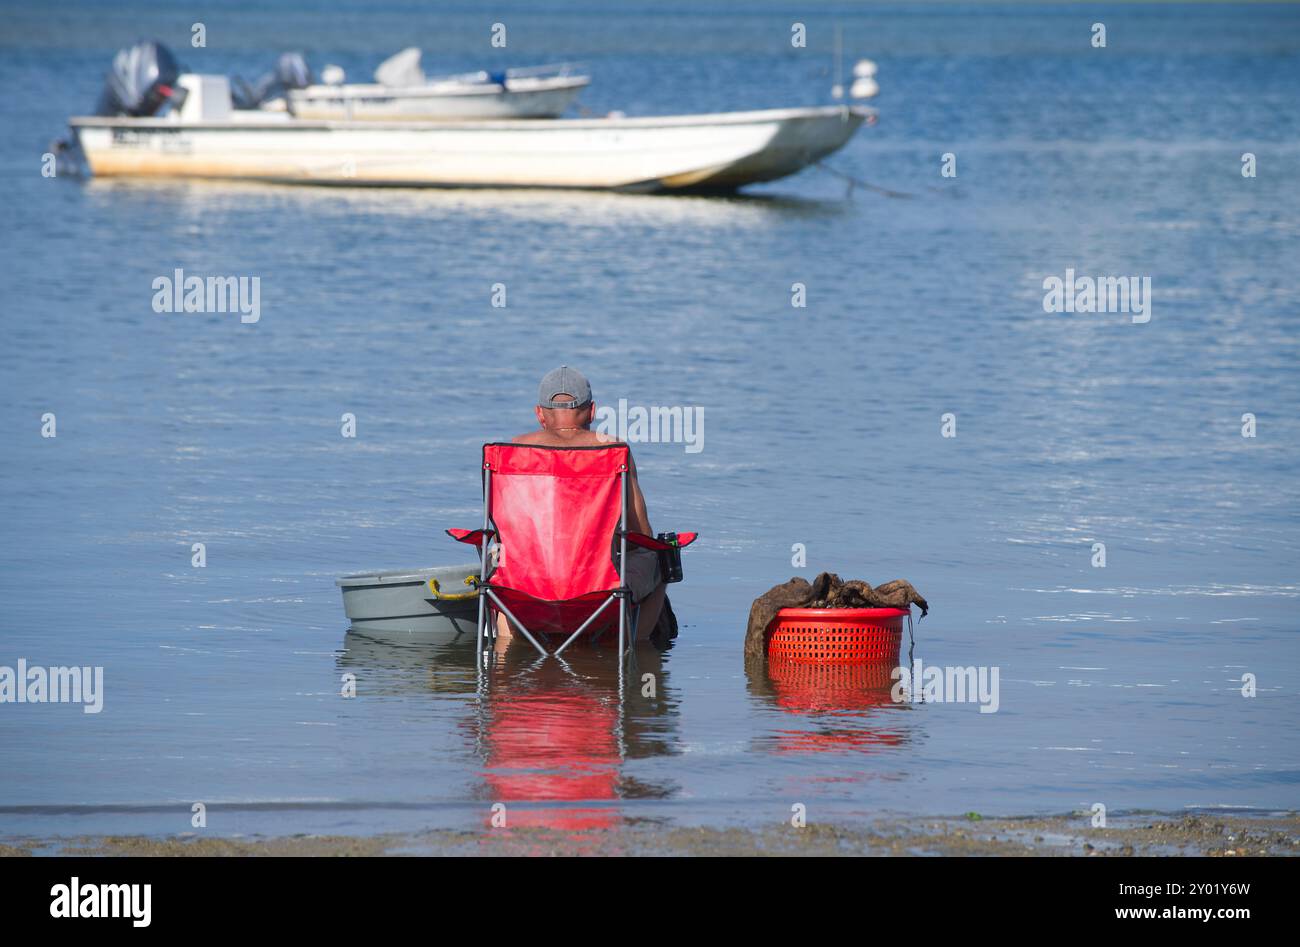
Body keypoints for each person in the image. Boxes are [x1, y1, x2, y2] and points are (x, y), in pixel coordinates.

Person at [494, 365, 666, 642]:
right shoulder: (612, 451)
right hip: (597, 590)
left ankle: (503, 660)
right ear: (593, 410)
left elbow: (507, 529)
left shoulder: (515, 451)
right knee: (661, 556)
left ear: (540, 414)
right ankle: (634, 653)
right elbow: (641, 534)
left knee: (499, 562)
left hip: (525, 588)